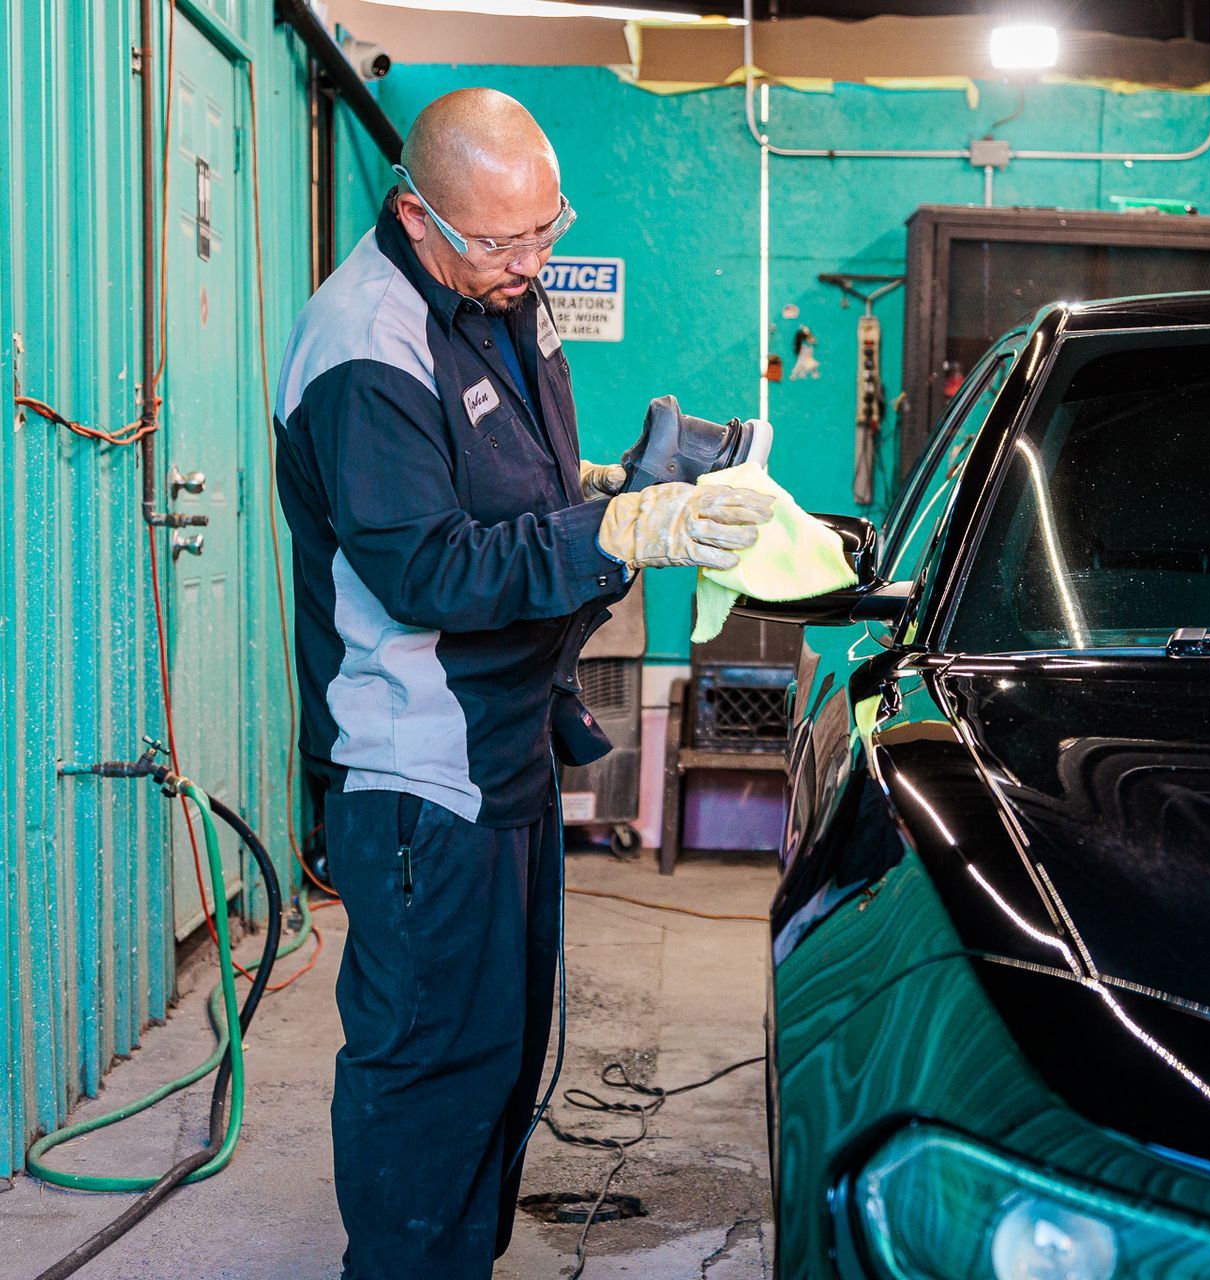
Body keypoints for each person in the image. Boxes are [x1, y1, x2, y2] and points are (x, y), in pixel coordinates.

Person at [272, 88, 774, 1278]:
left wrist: (613, 479)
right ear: (416, 212)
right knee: (432, 1062)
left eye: (546, 229)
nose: (530, 261)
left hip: (503, 740)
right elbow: (427, 565)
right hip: (419, 773)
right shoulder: (364, 344)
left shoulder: (503, 294)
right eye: (500, 241)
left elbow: (507, 478)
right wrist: (619, 532)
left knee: (503, 1043)